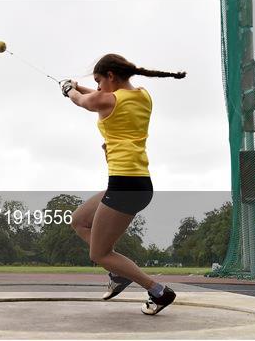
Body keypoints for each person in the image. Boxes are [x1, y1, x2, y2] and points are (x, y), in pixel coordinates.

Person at [61, 53, 186, 315]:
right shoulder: (143, 95)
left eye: (98, 81)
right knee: (79, 220)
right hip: (135, 183)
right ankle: (118, 273)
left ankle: (158, 291)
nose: (96, 87)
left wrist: (69, 89)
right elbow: (96, 96)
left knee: (99, 254)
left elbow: (82, 100)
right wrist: (75, 86)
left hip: (125, 184)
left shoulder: (107, 99)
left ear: (111, 76)